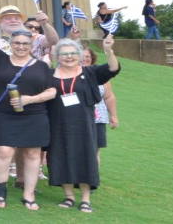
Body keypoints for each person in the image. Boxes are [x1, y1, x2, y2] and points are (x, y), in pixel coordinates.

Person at [0, 9, 56, 211]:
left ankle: (29, 195)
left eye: (25, 44)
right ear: (10, 44)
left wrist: (31, 99)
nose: (21, 46)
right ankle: (0, 193)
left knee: (32, 154)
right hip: (5, 114)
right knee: (3, 151)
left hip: (35, 116)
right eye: (17, 43)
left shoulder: (41, 66)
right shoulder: (0, 59)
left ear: (31, 45)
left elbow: (53, 90)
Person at [48, 36, 121, 213]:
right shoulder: (50, 75)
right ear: (57, 56)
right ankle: (69, 197)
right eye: (64, 54)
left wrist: (109, 51)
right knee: (60, 156)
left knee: (85, 158)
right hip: (57, 123)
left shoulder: (90, 73)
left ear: (79, 55)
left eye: (73, 53)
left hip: (84, 123)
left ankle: (85, 199)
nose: (69, 57)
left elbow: (113, 68)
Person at [81, 47, 119, 166]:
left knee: (95, 148)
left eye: (88, 56)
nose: (85, 59)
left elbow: (108, 97)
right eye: (82, 56)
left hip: (98, 119)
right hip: (78, 117)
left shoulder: (99, 76)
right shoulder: (69, 74)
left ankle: (93, 176)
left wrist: (113, 115)